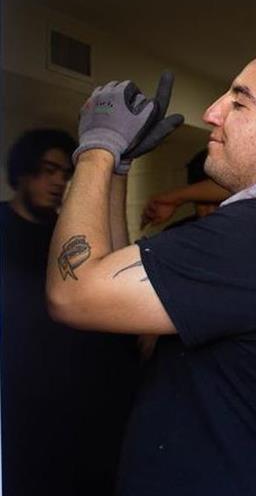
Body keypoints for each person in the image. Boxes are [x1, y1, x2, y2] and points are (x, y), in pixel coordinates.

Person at [46, 31, 256, 495]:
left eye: (239, 102)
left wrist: (95, 148)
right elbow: (112, 288)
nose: (212, 112)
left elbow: (73, 293)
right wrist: (118, 166)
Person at [1, 128, 139, 496]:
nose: (58, 182)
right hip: (22, 401)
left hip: (79, 399)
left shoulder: (65, 235)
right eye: (49, 170)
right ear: (24, 172)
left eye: (65, 174)